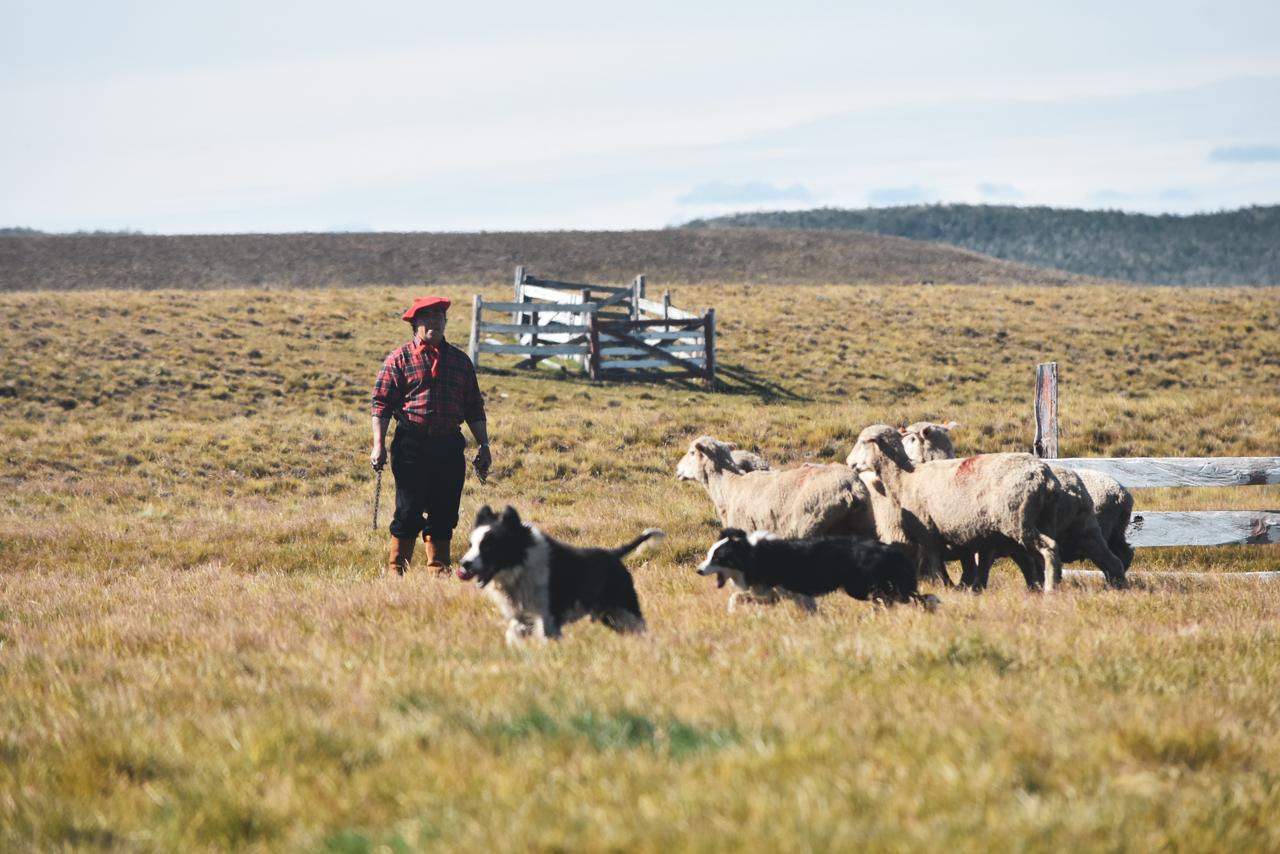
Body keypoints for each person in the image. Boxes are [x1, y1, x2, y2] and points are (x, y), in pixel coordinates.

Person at [371, 296, 491, 576]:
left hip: (448, 445)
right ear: (415, 325)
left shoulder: (460, 362)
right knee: (408, 509)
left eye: (438, 318)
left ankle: (438, 569)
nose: (433, 323)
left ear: (445, 322)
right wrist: (378, 444)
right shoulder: (399, 359)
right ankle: (396, 570)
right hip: (411, 443)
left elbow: (474, 405)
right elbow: (381, 404)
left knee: (445, 509)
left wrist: (484, 444)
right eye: (426, 319)